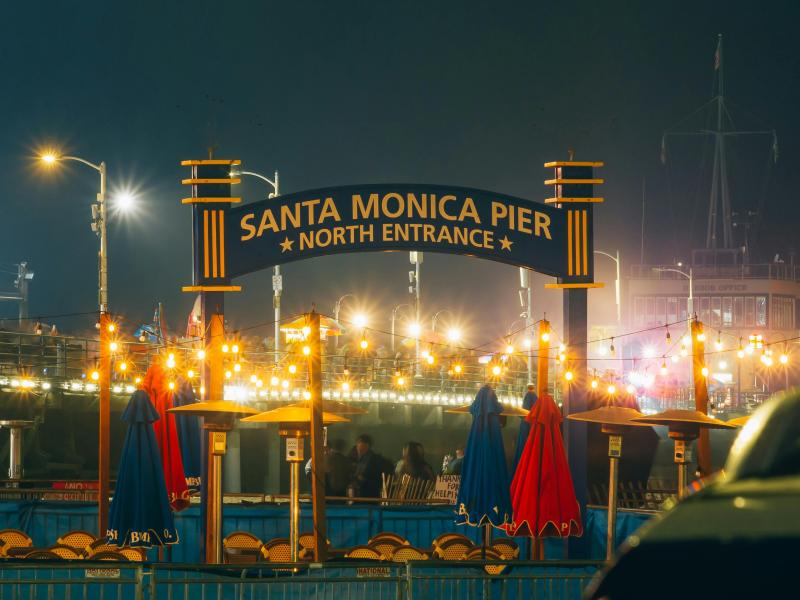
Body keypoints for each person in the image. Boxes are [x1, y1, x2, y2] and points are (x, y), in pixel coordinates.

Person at [351, 434, 386, 498]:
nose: (357, 447)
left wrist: (362, 478)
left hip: (369, 493)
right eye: (357, 444)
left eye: (360, 443)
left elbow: (376, 478)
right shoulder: (360, 459)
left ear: (367, 445)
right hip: (362, 493)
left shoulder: (374, 459)